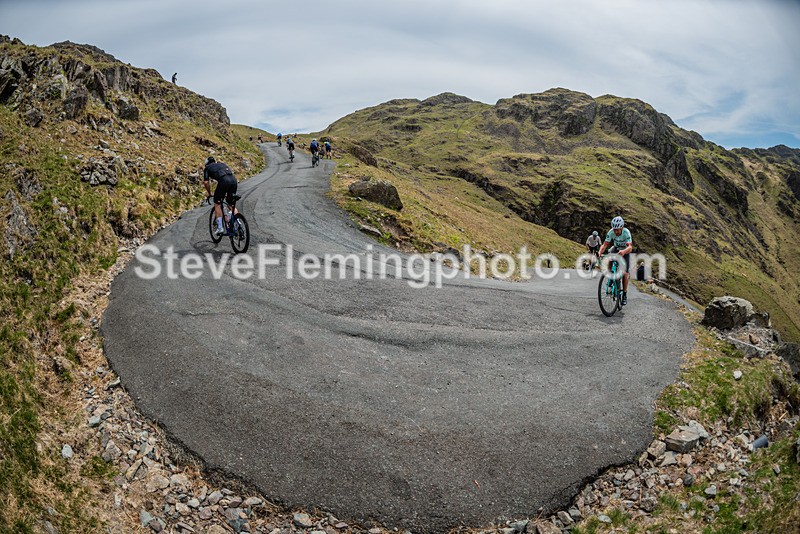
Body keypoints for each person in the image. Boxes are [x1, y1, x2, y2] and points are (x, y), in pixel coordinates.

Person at [597, 216, 633, 306]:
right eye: (614, 229)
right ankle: (611, 276)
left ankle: (624, 294)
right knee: (610, 258)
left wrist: (624, 251)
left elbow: (630, 247)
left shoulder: (626, 232)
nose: (616, 232)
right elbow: (605, 244)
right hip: (616, 248)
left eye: (617, 230)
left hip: (625, 251)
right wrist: (600, 252)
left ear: (622, 227)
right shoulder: (611, 232)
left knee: (625, 274)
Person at [203, 156, 238, 236]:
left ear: (206, 164)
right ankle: (238, 223)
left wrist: (209, 193)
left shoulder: (207, 168)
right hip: (233, 180)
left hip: (223, 181)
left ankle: (220, 228)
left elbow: (206, 182)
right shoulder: (221, 164)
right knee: (230, 204)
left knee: (217, 204)